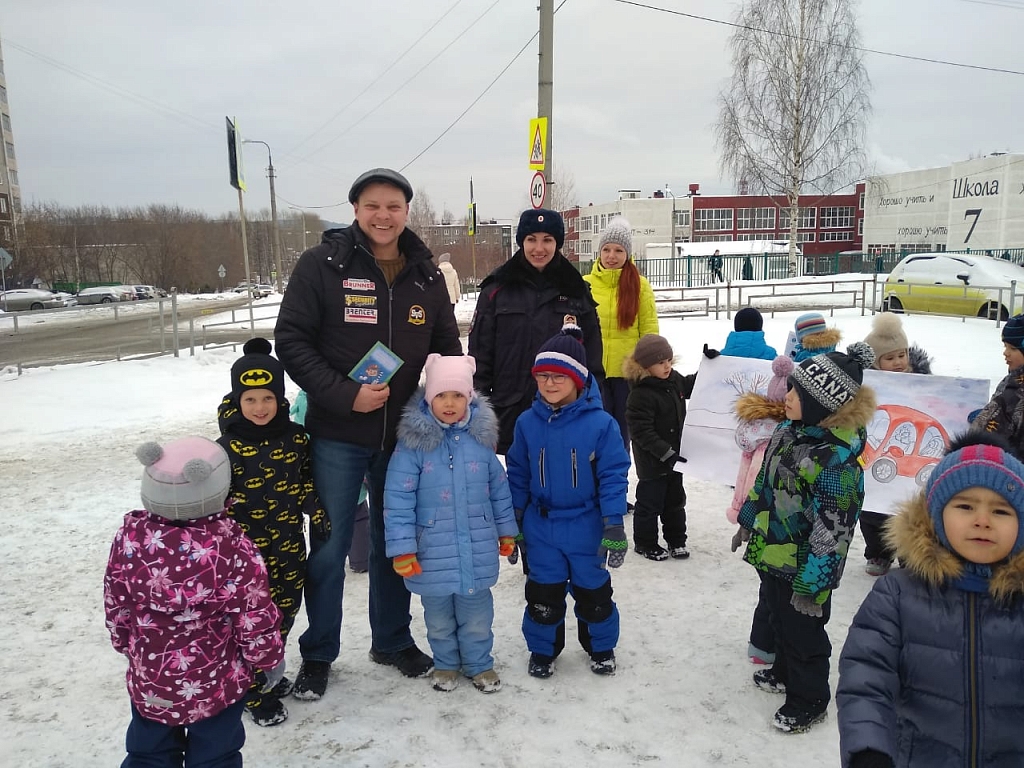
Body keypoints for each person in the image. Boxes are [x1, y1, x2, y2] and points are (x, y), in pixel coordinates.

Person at [274, 167, 461, 700]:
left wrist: (447, 405)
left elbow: (447, 352)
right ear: (356, 209)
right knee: (330, 546)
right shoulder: (322, 265)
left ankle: (392, 640)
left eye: (394, 206)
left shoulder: (425, 276)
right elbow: (291, 340)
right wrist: (343, 394)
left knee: (394, 541)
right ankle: (319, 653)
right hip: (337, 432)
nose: (384, 216)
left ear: (407, 212)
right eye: (373, 205)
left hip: (403, 438)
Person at [837, 433, 1024, 768]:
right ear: (936, 515)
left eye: (1001, 510)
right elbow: (866, 677)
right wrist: (869, 749)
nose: (982, 520)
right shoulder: (898, 594)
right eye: (965, 506)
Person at [104, 437, 284, 767]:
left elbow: (116, 598)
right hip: (217, 682)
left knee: (148, 754)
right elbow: (253, 613)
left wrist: (122, 640)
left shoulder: (130, 540)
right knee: (216, 757)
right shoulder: (234, 548)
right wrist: (268, 658)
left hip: (152, 677)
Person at [737, 342, 876, 733]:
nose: (787, 396)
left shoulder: (835, 460)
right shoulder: (787, 431)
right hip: (773, 550)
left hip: (805, 566)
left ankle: (809, 700)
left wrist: (814, 585)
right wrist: (748, 518)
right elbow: (765, 483)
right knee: (779, 620)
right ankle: (783, 672)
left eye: (797, 393)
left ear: (821, 404)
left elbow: (834, 530)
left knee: (804, 635)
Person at [384, 354, 518, 693]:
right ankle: (445, 664)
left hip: (477, 545)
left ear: (469, 397)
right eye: (441, 395)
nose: (449, 403)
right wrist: (402, 548)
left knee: (477, 617)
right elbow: (397, 500)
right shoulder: (413, 445)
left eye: (457, 395)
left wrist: (506, 531)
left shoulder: (481, 442)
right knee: (439, 618)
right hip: (432, 551)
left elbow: (499, 490)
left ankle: (479, 664)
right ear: (429, 397)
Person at [216, 338, 329, 725]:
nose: (260, 407)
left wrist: (316, 509)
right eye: (250, 400)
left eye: (267, 398)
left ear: (280, 399)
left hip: (288, 544)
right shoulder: (225, 448)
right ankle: (250, 690)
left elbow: (306, 481)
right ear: (237, 401)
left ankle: (264, 673)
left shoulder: (296, 439)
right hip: (244, 554)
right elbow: (214, 502)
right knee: (251, 619)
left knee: (284, 612)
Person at [506, 324, 630, 678]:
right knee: (542, 596)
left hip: (586, 527)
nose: (549, 384)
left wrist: (613, 523)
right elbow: (517, 473)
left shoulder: (601, 424)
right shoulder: (527, 423)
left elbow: (613, 476)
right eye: (542, 376)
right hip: (541, 527)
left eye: (558, 376)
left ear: (578, 379)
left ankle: (601, 647)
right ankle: (543, 650)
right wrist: (512, 521)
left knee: (594, 595)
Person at [469, 208, 604, 455]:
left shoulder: (576, 291)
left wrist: (590, 410)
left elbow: (592, 363)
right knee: (515, 477)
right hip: (509, 413)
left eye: (547, 240)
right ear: (521, 241)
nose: (539, 248)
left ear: (557, 243)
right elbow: (480, 360)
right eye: (531, 239)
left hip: (563, 412)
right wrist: (479, 413)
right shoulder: (497, 290)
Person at [727, 354, 795, 665]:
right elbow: (754, 475)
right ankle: (768, 645)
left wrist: (742, 511)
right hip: (774, 518)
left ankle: (762, 645)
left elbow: (747, 474)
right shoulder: (786, 433)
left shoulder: (760, 429)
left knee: (770, 587)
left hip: (764, 515)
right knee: (774, 587)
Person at [858, 312, 934, 577]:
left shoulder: (923, 381)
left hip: (912, 452)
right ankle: (878, 551)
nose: (898, 362)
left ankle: (908, 554)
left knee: (908, 509)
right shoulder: (867, 385)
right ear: (876, 362)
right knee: (872, 511)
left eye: (902, 355)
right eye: (889, 358)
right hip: (878, 451)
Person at [582, 216, 659, 452]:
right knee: (594, 431)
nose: (611, 256)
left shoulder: (640, 286)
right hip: (594, 373)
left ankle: (618, 474)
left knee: (622, 434)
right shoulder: (585, 284)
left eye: (618, 250)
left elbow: (649, 331)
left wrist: (651, 367)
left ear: (628, 254)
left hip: (627, 376)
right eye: (606, 249)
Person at [622, 333, 694, 561]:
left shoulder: (674, 380)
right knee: (649, 505)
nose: (667, 366)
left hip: (675, 460)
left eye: (669, 361)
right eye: (661, 362)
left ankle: (676, 540)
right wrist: (665, 453)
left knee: (675, 502)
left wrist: (710, 367)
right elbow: (642, 432)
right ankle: (645, 543)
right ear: (645, 366)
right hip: (653, 462)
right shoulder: (640, 395)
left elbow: (692, 386)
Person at [291, 390, 370, 573]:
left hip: (322, 469)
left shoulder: (307, 399)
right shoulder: (315, 402)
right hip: (341, 465)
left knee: (330, 519)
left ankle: (352, 558)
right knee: (357, 515)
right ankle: (361, 560)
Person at [970, 313, 1024, 460]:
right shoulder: (1012, 380)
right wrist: (988, 414)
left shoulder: (1016, 391)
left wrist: (984, 421)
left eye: (1013, 348)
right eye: (1005, 346)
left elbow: (989, 439)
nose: (1005, 353)